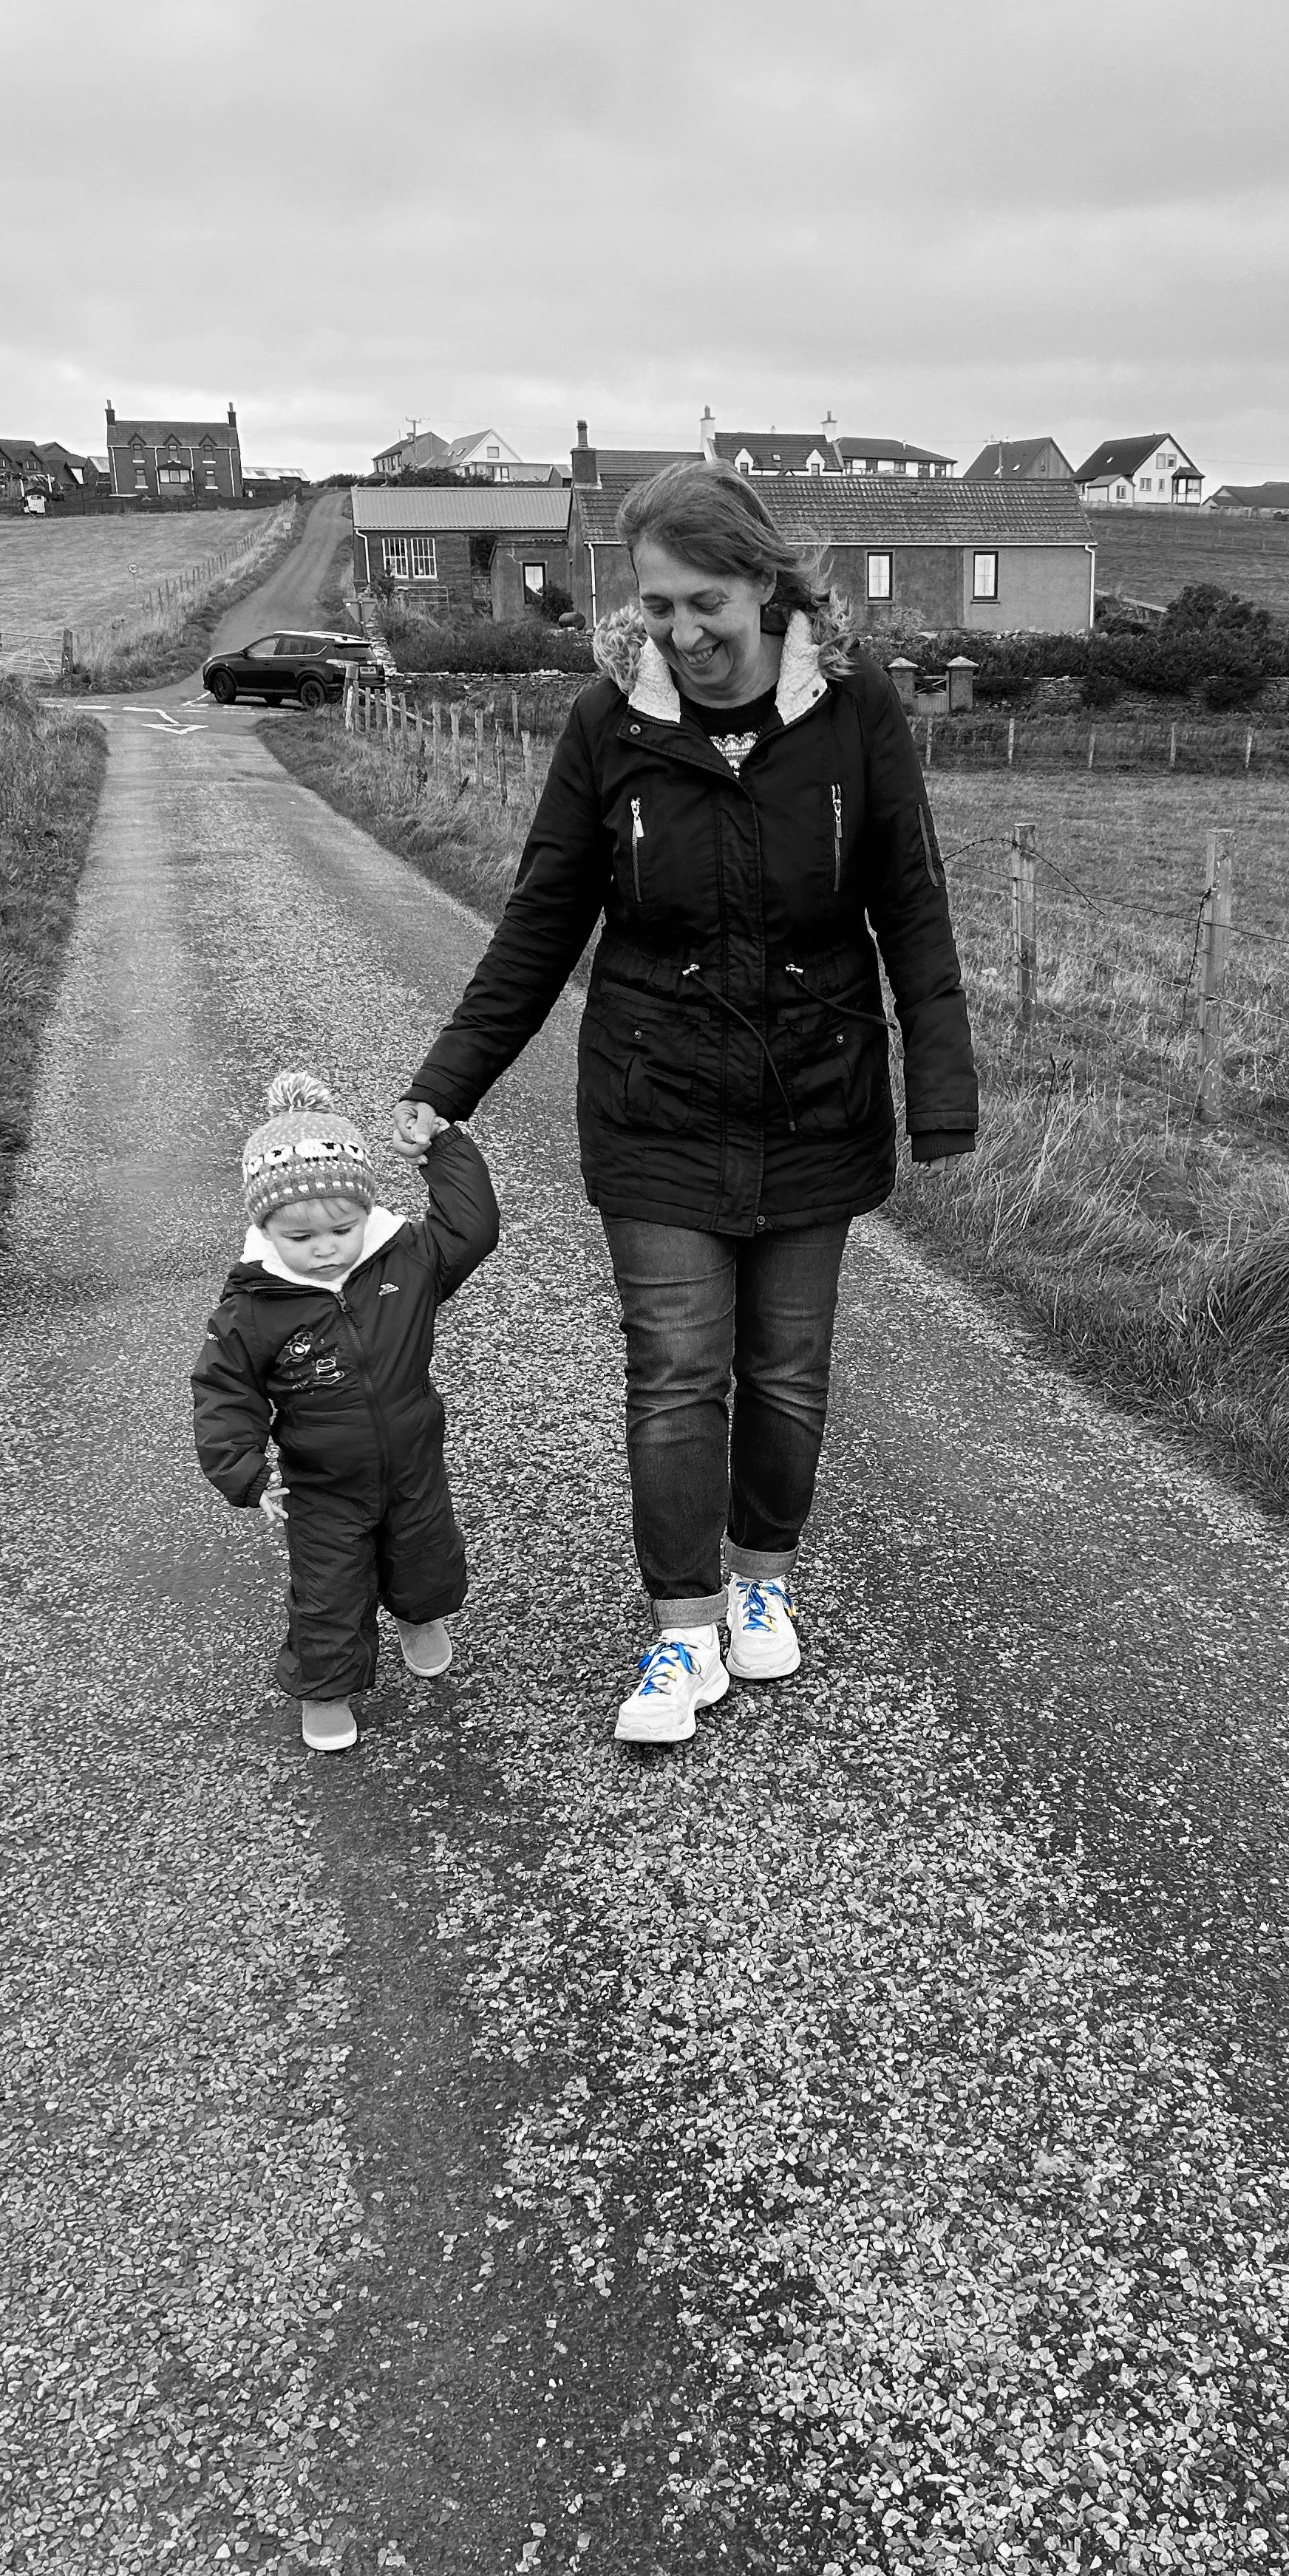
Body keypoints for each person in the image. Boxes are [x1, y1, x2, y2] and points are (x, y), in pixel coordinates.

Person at [395, 463, 978, 1746]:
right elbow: (541, 923)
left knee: (786, 1371)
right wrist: (447, 1083)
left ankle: (762, 1579)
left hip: (817, 1095)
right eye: (659, 607)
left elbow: (913, 909)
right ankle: (683, 1628)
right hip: (654, 1099)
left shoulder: (856, 711)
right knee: (673, 1370)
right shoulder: (608, 726)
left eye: (704, 601)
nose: (683, 632)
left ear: (767, 584)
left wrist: (939, 1096)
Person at [192, 1070, 500, 1753]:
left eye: (341, 1227)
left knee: (424, 1557)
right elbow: (223, 1392)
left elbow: (471, 1229)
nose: (325, 1246)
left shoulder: (407, 1262)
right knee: (329, 1592)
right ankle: (327, 1689)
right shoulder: (251, 1309)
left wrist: (442, 1150)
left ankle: (420, 1621)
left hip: (412, 1458)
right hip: (321, 1482)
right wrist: (245, 1472)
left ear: (365, 1213)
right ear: (264, 1227)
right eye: (300, 1237)